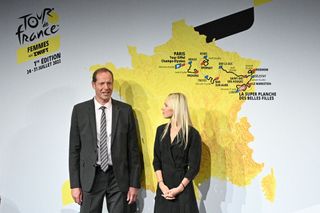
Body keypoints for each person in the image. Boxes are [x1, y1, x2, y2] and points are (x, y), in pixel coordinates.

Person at [69, 67, 141, 213]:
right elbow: (74, 150)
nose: (106, 88)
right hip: (91, 177)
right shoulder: (79, 111)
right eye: (101, 83)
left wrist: (134, 184)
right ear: (93, 85)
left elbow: (133, 151)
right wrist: (75, 185)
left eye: (109, 83)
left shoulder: (126, 111)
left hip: (118, 177)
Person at [153, 93, 202, 213]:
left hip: (183, 190)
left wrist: (179, 188)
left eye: (165, 105)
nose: (162, 108)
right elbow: (157, 160)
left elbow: (194, 167)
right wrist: (161, 185)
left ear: (175, 108)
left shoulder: (192, 134)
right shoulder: (160, 131)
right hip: (163, 189)